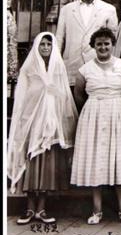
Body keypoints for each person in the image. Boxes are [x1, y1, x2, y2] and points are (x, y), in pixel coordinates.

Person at [7, 32, 78, 225]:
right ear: (36, 47)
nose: (46, 48)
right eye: (42, 44)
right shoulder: (29, 68)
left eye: (49, 44)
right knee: (32, 161)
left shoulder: (58, 67)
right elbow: (23, 96)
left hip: (51, 122)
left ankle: (42, 208)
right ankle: (29, 208)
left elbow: (63, 95)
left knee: (47, 165)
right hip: (32, 121)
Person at [71, 27, 121, 224]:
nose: (103, 47)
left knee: (119, 158)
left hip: (118, 114)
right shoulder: (84, 70)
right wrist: (93, 109)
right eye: (99, 44)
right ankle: (97, 210)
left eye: (107, 43)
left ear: (112, 45)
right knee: (95, 159)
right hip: (93, 116)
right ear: (93, 46)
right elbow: (79, 95)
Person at [56, 0, 118, 86]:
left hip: (98, 65)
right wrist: (57, 62)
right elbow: (59, 39)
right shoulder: (67, 9)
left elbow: (113, 41)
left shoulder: (108, 9)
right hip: (72, 65)